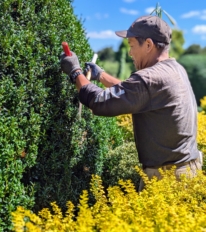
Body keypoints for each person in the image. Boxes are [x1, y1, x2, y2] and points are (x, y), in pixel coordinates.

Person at [60, 15, 202, 191]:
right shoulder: (174, 69)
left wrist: (75, 72)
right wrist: (101, 76)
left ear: (148, 45)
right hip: (187, 170)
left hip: (168, 179)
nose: (130, 52)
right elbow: (138, 94)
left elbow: (99, 102)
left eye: (132, 45)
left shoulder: (149, 78)